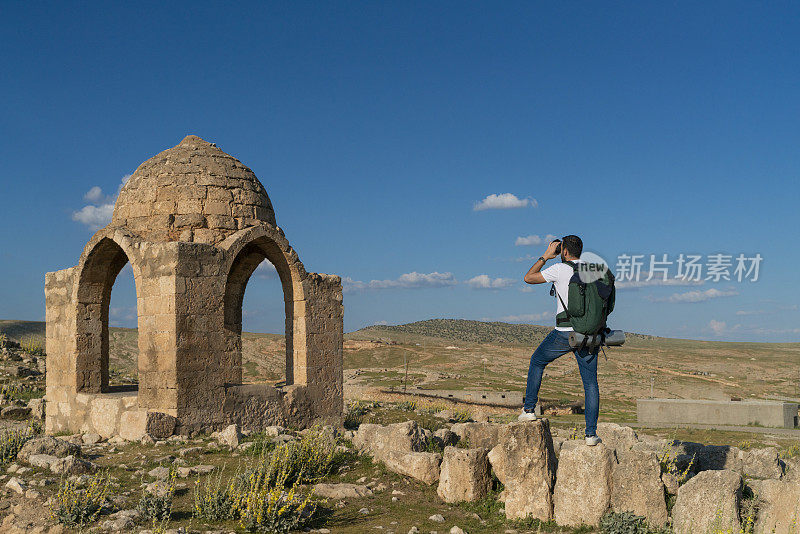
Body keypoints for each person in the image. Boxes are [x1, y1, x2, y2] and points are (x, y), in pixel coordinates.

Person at [519, 235, 602, 446]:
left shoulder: (559, 269)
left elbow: (528, 277)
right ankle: (591, 435)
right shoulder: (595, 269)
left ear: (564, 252)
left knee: (537, 361)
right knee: (590, 383)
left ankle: (529, 410)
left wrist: (546, 256)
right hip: (590, 334)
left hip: (564, 332)